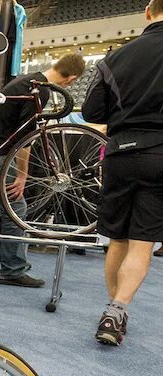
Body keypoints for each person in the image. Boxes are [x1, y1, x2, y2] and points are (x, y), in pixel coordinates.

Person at [0, 53, 86, 287]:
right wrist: (22, 175)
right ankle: (13, 269)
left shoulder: (30, 81)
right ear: (72, 78)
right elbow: (24, 141)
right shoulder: (39, 90)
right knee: (16, 207)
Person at [82, 0, 163, 346]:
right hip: (160, 153)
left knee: (117, 238)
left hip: (119, 154)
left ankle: (113, 312)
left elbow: (91, 110)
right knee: (142, 242)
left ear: (148, 11)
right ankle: (118, 310)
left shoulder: (113, 57)